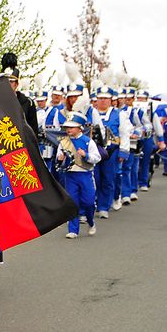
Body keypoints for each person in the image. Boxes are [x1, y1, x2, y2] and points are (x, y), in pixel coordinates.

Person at [88, 85, 132, 217]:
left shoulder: (119, 114)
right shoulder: (91, 112)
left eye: (106, 99)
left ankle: (104, 207)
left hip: (112, 152)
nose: (103, 101)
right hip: (94, 151)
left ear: (111, 99)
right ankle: (94, 203)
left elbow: (124, 133)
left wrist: (123, 151)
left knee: (108, 178)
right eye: (100, 98)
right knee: (95, 178)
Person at [56, 111, 101, 238]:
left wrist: (85, 155)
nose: (68, 129)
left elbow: (97, 158)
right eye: (67, 127)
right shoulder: (64, 142)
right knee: (73, 202)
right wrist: (60, 159)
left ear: (80, 127)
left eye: (71, 127)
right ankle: (73, 230)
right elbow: (59, 159)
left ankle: (91, 222)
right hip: (70, 175)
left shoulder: (88, 141)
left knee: (89, 202)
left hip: (85, 175)